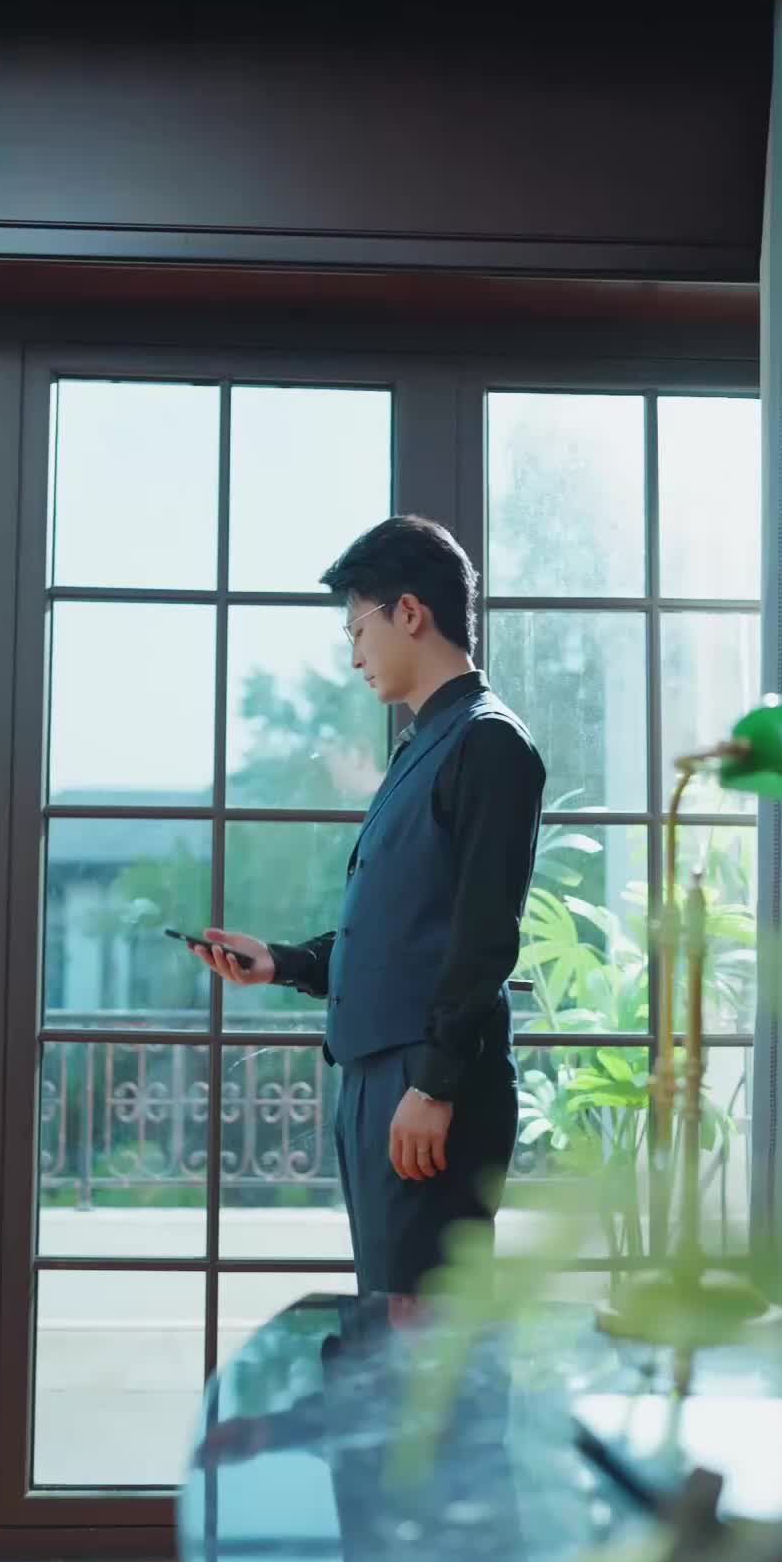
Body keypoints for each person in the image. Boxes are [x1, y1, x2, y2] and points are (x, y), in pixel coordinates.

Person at [192, 514, 545, 1295]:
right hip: (381, 1082)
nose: (354, 655)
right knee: (391, 1323)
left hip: (428, 1087)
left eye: (357, 630)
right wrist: (282, 963)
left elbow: (484, 935)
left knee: (422, 1339)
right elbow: (403, 927)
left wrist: (434, 1087)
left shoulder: (489, 743)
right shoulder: (423, 746)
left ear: (409, 613)